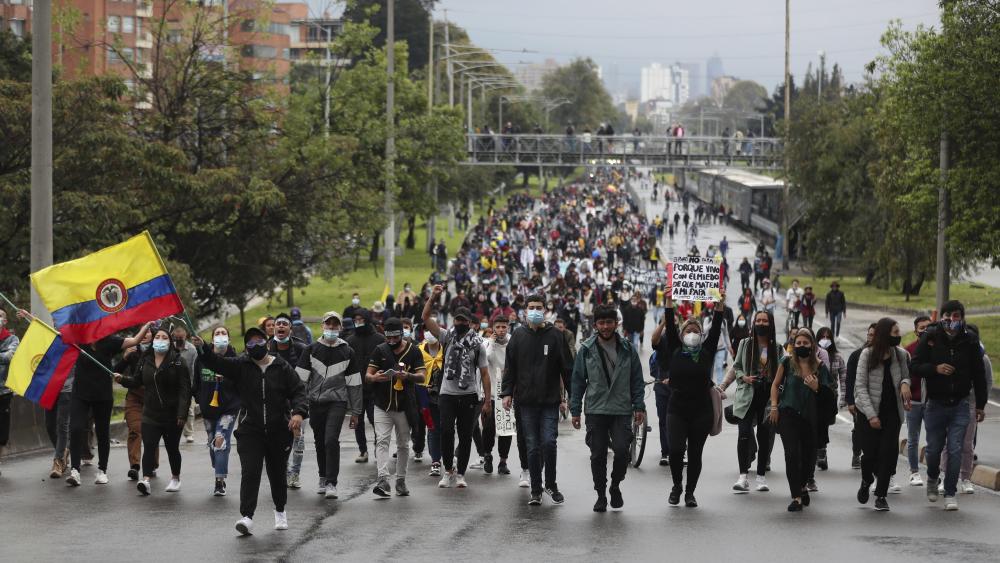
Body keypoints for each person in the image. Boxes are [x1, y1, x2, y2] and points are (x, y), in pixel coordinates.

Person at [195, 327, 308, 536]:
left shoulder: (281, 367)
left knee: (276, 473)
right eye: (250, 343)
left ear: (266, 342)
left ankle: (280, 511)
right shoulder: (241, 365)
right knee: (250, 472)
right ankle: (247, 517)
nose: (255, 346)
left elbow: (299, 391)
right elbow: (216, 363)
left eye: (259, 341)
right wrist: (203, 348)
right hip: (250, 430)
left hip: (278, 430)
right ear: (246, 347)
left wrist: (298, 413)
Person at [911, 300, 987, 511]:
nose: (951, 320)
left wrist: (980, 405)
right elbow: (915, 365)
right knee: (934, 450)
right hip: (935, 404)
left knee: (955, 449)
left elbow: (979, 374)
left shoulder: (970, 341)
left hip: (961, 405)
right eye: (947, 316)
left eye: (956, 316)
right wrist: (935, 369)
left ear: (962, 318)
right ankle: (933, 478)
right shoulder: (931, 337)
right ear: (941, 317)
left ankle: (951, 492)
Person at [654, 287, 726, 507]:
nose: (692, 333)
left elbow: (716, 326)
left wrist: (719, 302)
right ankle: (676, 486)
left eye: (696, 329)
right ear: (682, 334)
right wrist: (668, 300)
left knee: (695, 454)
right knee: (676, 451)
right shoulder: (675, 349)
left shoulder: (707, 351)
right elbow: (669, 317)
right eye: (688, 330)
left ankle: (690, 492)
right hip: (677, 409)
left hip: (701, 411)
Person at [570, 304, 646, 512]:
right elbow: (577, 381)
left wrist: (639, 405)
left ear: (616, 323)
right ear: (595, 324)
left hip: (622, 408)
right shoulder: (586, 349)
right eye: (601, 323)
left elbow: (637, 379)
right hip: (596, 408)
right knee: (598, 454)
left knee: (622, 451)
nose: (605, 327)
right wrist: (575, 410)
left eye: (609, 322)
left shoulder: (628, 348)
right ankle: (601, 494)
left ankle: (615, 485)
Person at [500, 293, 573, 506]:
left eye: (538, 307)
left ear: (545, 310)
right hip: (526, 402)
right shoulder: (518, 336)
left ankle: (551, 483)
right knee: (532, 446)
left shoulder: (555, 336)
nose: (535, 311)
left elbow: (566, 368)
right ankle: (536, 489)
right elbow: (510, 367)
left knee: (549, 443)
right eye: (531, 307)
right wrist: (507, 393)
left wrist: (572, 399)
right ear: (525, 310)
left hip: (550, 401)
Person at [65, 322, 151, 487]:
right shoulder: (79, 340)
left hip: (102, 395)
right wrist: (30, 317)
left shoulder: (110, 341)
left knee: (103, 433)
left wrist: (146, 326)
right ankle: (75, 471)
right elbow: (56, 333)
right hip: (80, 394)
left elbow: (134, 341)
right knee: (76, 429)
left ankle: (102, 470)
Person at [421, 290, 491, 489]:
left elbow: (484, 374)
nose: (460, 323)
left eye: (463, 321)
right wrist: (433, 297)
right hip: (447, 394)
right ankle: (448, 471)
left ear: (470, 323)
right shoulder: (446, 336)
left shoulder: (478, 344)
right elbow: (425, 317)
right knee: (446, 431)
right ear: (453, 321)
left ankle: (461, 473)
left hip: (469, 395)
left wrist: (486, 401)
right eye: (457, 320)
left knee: (465, 434)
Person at [116, 326, 191, 495]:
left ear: (170, 341)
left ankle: (175, 478)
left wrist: (182, 413)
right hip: (150, 413)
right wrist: (122, 380)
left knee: (172, 448)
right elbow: (136, 381)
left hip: (172, 415)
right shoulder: (145, 359)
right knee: (149, 446)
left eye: (164, 337)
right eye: (158, 337)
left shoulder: (178, 361)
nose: (160, 340)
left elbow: (185, 390)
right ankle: (146, 480)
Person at [768, 328, 835, 512]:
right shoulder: (787, 362)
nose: (802, 346)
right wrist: (774, 406)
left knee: (808, 457)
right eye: (798, 343)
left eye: (806, 343)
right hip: (788, 414)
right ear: (793, 345)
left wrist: (816, 387)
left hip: (811, 417)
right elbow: (775, 385)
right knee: (791, 454)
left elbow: (830, 395)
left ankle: (803, 485)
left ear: (812, 345)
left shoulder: (820, 367)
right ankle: (796, 496)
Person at [296, 311, 361, 500]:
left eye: (335, 326)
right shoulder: (310, 350)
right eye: (328, 325)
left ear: (340, 328)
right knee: (319, 441)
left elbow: (355, 383)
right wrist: (296, 407)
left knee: (330, 439)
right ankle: (322, 477)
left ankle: (332, 482)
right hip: (315, 402)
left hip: (337, 401)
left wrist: (356, 411)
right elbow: (299, 381)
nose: (331, 329)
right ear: (323, 326)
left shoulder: (348, 352)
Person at [853, 317, 912, 511]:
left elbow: (906, 376)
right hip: (867, 412)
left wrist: (905, 385)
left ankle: (881, 495)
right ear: (885, 334)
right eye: (895, 333)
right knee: (869, 454)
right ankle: (867, 479)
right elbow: (860, 387)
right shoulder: (867, 355)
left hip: (892, 413)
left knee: (888, 455)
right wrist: (871, 415)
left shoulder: (901, 355)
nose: (898, 336)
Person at [721, 310, 781, 494]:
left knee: (764, 437)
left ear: (770, 325)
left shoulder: (777, 348)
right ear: (753, 323)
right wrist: (742, 378)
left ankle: (761, 477)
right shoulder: (745, 344)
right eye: (759, 320)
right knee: (744, 434)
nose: (761, 323)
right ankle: (743, 477)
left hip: (766, 397)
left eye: (765, 321)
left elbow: (783, 371)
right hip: (747, 395)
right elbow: (736, 366)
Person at [366, 317, 426, 498]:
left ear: (402, 334)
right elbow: (368, 375)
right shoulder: (380, 350)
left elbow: (422, 376)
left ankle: (401, 480)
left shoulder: (414, 351)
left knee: (403, 444)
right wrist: (375, 378)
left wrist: (407, 375)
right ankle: (383, 479)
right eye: (388, 337)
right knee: (382, 440)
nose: (391, 341)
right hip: (382, 404)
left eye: (395, 337)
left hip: (404, 405)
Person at [193, 325, 241, 497]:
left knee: (221, 441)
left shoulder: (235, 359)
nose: (221, 336)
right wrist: (200, 399)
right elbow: (196, 383)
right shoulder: (202, 359)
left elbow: (241, 384)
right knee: (213, 442)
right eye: (217, 333)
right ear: (212, 339)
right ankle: (218, 466)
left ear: (229, 338)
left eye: (224, 333)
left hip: (228, 409)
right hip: (208, 410)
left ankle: (219, 481)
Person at [270, 313, 309, 489]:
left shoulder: (302, 349)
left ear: (290, 329)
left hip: (298, 401)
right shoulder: (267, 349)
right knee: (278, 441)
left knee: (298, 438)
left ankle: (295, 474)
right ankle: (283, 472)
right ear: (274, 328)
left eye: (285, 324)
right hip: (275, 403)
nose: (281, 327)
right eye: (278, 324)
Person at [115, 330, 155, 482]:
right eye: (142, 332)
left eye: (149, 332)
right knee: (135, 429)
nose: (145, 335)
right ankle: (135, 466)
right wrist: (124, 359)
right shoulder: (132, 351)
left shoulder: (158, 350)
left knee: (151, 432)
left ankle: (152, 464)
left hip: (152, 397)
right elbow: (115, 372)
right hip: (134, 395)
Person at [348, 308, 384, 463]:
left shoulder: (379, 339)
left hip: (375, 388)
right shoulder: (350, 341)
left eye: (361, 319)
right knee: (358, 420)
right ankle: (363, 450)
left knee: (375, 420)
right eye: (355, 319)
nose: (358, 322)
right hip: (356, 388)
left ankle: (378, 448)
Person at [903, 315, 932, 486]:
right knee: (913, 439)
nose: (925, 331)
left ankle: (933, 473)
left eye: (928, 327)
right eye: (922, 328)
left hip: (932, 402)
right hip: (913, 401)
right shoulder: (908, 350)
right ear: (916, 331)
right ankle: (914, 472)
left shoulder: (937, 349)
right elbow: (903, 377)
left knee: (934, 440)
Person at [815, 326, 845, 471]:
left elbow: (843, 379)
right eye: (822, 337)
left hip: (830, 395)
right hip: (813, 394)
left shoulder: (838, 357)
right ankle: (818, 452)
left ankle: (822, 450)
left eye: (828, 337)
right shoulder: (813, 355)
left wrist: (844, 398)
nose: (825, 340)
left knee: (824, 423)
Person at [418, 329, 444, 476]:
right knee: (432, 427)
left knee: (446, 428)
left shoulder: (446, 349)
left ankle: (445, 455)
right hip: (424, 395)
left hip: (445, 395)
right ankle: (435, 460)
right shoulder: (419, 351)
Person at [0, 308, 20, 478]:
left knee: (2, 432)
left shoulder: (12, 339)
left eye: (0, 316)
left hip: (3, 391)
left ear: (5, 321)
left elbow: (9, 357)